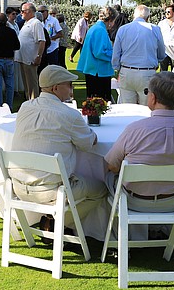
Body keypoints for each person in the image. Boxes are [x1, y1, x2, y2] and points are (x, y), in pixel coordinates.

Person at [7, 65, 106, 218]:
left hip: (18, 186)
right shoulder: (69, 115)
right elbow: (89, 144)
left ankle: (52, 221)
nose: (71, 89)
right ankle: (63, 224)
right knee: (102, 189)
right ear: (55, 88)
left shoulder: (24, 107)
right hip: (53, 192)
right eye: (69, 85)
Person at [104, 72, 174, 212]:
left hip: (133, 201)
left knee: (103, 177)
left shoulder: (135, 129)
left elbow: (111, 165)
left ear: (153, 98)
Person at [112, 4, 165, 105]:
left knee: (127, 109)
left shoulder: (123, 29)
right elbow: (161, 53)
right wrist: (156, 60)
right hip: (146, 72)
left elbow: (116, 53)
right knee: (146, 109)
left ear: (134, 15)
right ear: (148, 17)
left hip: (127, 71)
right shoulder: (154, 29)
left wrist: (117, 68)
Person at [76, 6, 115, 101]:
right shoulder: (100, 30)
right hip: (98, 72)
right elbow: (99, 52)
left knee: (93, 104)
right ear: (110, 19)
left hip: (94, 70)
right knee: (100, 104)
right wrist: (115, 54)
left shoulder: (95, 28)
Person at [15, 2, 45, 100]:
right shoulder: (27, 23)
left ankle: (34, 103)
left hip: (30, 59)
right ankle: (29, 103)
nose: (21, 13)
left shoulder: (36, 23)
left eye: (23, 11)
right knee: (27, 85)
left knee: (32, 85)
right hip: (23, 59)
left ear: (29, 12)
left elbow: (42, 41)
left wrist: (38, 56)